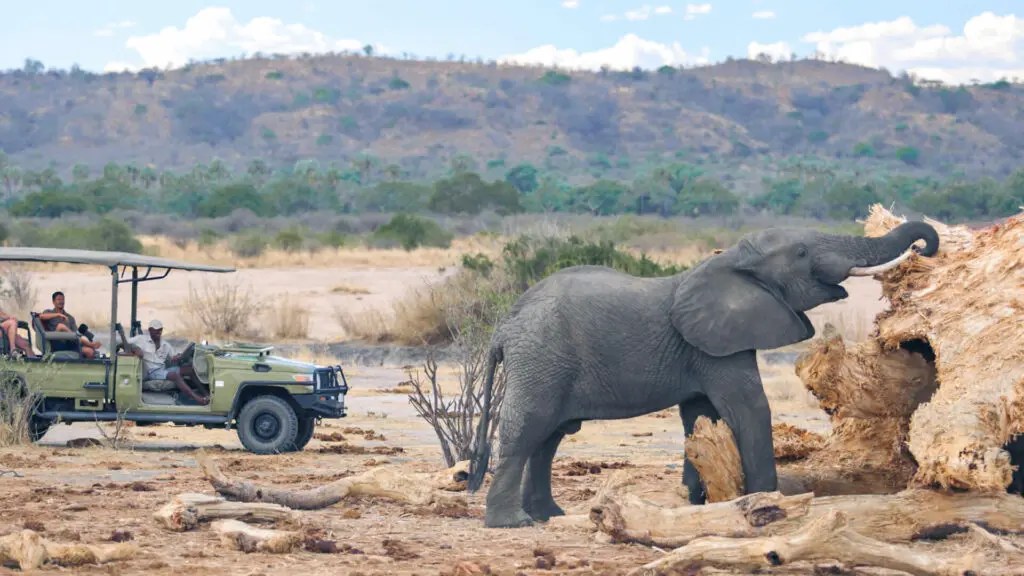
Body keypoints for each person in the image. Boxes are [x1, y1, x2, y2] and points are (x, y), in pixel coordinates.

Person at [127, 319, 209, 405]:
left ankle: (206, 395)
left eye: (160, 329)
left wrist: (179, 357)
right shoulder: (141, 339)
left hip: (162, 370)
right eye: (156, 329)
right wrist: (134, 348)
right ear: (150, 330)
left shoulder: (165, 344)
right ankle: (197, 399)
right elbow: (123, 342)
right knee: (175, 375)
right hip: (149, 372)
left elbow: (174, 356)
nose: (159, 332)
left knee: (190, 369)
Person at [38, 291, 102, 359]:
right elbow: (41, 316)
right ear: (53, 302)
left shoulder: (70, 317)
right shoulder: (49, 312)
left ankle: (86, 367)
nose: (61, 301)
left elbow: (76, 333)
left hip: (69, 343)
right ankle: (91, 344)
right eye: (59, 299)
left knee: (90, 352)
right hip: (56, 343)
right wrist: (58, 315)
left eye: (63, 299)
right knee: (61, 326)